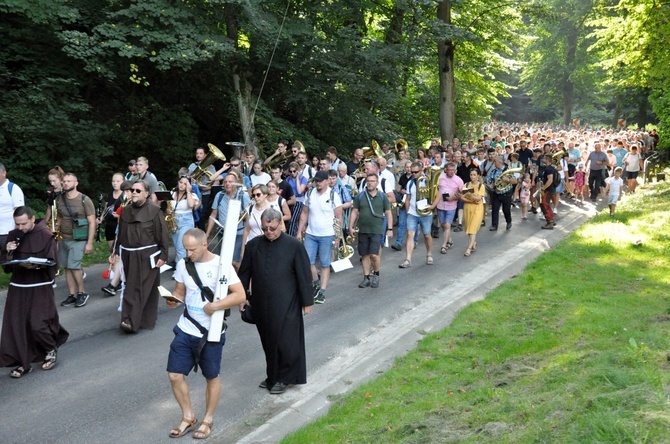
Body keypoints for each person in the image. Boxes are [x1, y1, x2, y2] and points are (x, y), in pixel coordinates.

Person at [165, 228, 246, 439]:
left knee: (211, 376)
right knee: (174, 374)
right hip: (186, 327)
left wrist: (216, 305)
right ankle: (188, 416)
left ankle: (208, 419)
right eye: (185, 249)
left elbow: (240, 295)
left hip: (211, 332)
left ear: (204, 245)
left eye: (192, 249)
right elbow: (180, 292)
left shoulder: (221, 264)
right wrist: (173, 299)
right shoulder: (184, 264)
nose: (188, 253)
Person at [238, 208, 314, 395]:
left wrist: (307, 301)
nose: (269, 232)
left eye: (272, 228)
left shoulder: (294, 245)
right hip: (261, 303)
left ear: (281, 224)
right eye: (265, 229)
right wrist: (242, 296)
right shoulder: (254, 245)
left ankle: (285, 377)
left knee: (286, 342)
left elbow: (304, 275)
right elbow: (244, 274)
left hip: (287, 302)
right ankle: (273, 375)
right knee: (268, 341)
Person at [0, 206, 69, 378]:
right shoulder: (13, 235)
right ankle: (23, 362)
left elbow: (53, 262)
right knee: (17, 325)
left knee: (38, 323)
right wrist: (8, 251)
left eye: (24, 224)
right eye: (18, 224)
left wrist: (37, 265)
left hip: (39, 285)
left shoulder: (45, 236)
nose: (20, 228)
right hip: (19, 286)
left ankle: (49, 348)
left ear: (32, 219)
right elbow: (6, 264)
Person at [114, 180, 169, 333]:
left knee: (140, 288)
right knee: (131, 287)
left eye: (138, 191)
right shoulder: (126, 211)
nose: (134, 193)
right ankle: (139, 319)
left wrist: (163, 255)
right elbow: (121, 235)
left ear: (147, 194)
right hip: (129, 255)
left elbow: (162, 235)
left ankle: (130, 321)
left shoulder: (154, 210)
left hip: (148, 255)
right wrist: (116, 253)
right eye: (132, 190)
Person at [297, 170, 342, 304]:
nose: (317, 183)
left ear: (327, 181)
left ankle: (322, 291)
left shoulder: (333, 195)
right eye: (316, 181)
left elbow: (338, 218)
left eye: (320, 181)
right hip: (311, 233)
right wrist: (300, 231)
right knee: (307, 261)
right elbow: (304, 213)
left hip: (327, 234)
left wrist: (338, 237)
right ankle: (316, 282)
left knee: (324, 264)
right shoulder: (310, 193)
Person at [56, 173, 96, 308]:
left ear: (76, 183)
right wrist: (56, 228)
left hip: (79, 238)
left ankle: (82, 292)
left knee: (74, 266)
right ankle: (72, 295)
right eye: (64, 181)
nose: (66, 183)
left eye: (69, 181)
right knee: (67, 267)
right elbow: (60, 216)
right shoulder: (59, 199)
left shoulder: (84, 200)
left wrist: (89, 242)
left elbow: (92, 222)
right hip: (64, 237)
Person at [348, 174, 392, 288]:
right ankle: (366, 277)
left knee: (374, 254)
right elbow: (354, 211)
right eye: (368, 181)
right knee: (365, 255)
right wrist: (350, 226)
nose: (370, 183)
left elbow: (388, 213)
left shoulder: (382, 197)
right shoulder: (360, 196)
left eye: (372, 181)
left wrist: (390, 229)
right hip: (363, 230)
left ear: (377, 183)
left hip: (377, 230)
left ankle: (376, 274)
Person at [205, 172, 251, 270]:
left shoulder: (243, 195)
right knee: (223, 260)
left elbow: (248, 217)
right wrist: (207, 234)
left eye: (230, 182)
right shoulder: (219, 195)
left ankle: (237, 282)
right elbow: (213, 214)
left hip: (238, 233)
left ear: (236, 183)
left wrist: (240, 217)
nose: (227, 184)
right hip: (222, 232)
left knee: (234, 262)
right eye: (225, 182)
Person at [399, 162, 436, 268]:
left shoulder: (427, 181)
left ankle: (429, 254)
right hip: (412, 212)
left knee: (427, 235)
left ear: (421, 171)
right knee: (410, 234)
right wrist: (407, 212)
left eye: (416, 172)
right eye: (412, 172)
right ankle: (408, 259)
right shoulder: (410, 183)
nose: (413, 174)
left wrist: (432, 206)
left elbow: (438, 194)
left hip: (425, 212)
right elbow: (407, 199)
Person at [168, 175, 200, 264]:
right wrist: (168, 210)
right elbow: (168, 206)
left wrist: (188, 191)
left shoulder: (192, 194)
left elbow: (191, 205)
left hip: (186, 221)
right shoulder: (173, 193)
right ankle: (185, 265)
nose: (182, 185)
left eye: (185, 184)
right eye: (180, 182)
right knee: (177, 246)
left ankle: (180, 269)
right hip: (174, 220)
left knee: (180, 246)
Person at [433, 162, 463, 254]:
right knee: (443, 224)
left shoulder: (458, 180)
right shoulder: (440, 177)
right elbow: (435, 188)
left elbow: (462, 193)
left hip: (451, 205)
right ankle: (449, 240)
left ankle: (443, 246)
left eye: (452, 170)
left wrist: (454, 197)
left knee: (447, 225)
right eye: (449, 170)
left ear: (455, 170)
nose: (451, 172)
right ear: (446, 170)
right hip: (440, 204)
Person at [188, 147, 219, 230]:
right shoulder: (192, 166)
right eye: (197, 153)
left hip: (205, 193)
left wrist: (211, 187)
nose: (198, 155)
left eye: (201, 153)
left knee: (202, 214)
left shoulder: (211, 167)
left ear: (205, 155)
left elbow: (217, 180)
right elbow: (188, 179)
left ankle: (202, 234)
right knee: (193, 213)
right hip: (194, 193)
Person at [485, 156, 518, 231]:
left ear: (500, 162)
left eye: (495, 161)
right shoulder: (494, 171)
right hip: (496, 193)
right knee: (495, 209)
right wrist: (489, 185)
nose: (494, 163)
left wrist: (508, 179)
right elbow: (488, 180)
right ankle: (494, 225)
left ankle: (509, 221)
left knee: (506, 210)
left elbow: (515, 181)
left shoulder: (508, 170)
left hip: (506, 193)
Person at [0, 162, 25, 252]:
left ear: (3, 173)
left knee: (8, 260)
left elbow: (20, 212)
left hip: (8, 232)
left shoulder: (13, 189)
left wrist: (16, 231)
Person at [460, 169, 486, 256]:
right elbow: (462, 197)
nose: (472, 177)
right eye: (471, 175)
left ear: (478, 175)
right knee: (468, 228)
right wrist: (471, 200)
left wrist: (470, 195)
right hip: (468, 208)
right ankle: (473, 243)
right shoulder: (466, 185)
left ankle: (469, 248)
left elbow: (479, 198)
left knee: (472, 228)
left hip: (477, 209)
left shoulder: (481, 186)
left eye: (474, 175)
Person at [241, 184, 271, 253]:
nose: (256, 197)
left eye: (258, 194)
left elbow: (281, 228)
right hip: (251, 244)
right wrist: (243, 248)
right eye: (253, 195)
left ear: (265, 195)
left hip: (266, 245)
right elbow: (246, 229)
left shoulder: (272, 208)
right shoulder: (250, 208)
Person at [539, 154, 558, 230]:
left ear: (547, 159)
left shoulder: (549, 169)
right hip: (550, 189)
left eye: (544, 158)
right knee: (547, 204)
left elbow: (550, 180)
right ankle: (552, 220)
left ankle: (549, 222)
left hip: (548, 190)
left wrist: (543, 188)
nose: (543, 159)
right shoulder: (550, 168)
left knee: (544, 205)